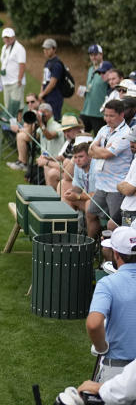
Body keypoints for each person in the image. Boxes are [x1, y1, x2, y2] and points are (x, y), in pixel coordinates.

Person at [87, 226, 136, 383]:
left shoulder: (107, 284)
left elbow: (94, 324)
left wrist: (102, 347)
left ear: (116, 254)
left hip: (118, 372)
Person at [88, 99, 134, 234]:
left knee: (115, 224)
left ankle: (116, 252)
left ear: (122, 115)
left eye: (111, 116)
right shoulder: (104, 129)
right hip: (101, 185)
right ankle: (92, 247)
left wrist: (100, 150)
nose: (107, 119)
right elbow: (90, 150)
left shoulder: (126, 134)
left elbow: (107, 154)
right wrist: (100, 151)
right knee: (91, 213)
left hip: (116, 187)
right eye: (106, 115)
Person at [0, 28, 26, 117]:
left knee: (17, 106)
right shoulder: (4, 47)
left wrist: (19, 79)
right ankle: (11, 126)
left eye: (9, 37)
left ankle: (19, 125)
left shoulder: (19, 48)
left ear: (13, 37)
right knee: (8, 106)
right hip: (6, 81)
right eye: (5, 38)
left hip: (16, 82)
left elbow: (22, 64)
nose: (7, 39)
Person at [41, 38, 66, 121]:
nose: (45, 51)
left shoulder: (57, 64)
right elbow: (44, 80)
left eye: (48, 49)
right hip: (47, 97)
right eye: (44, 49)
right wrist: (42, 93)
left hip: (55, 97)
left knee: (54, 119)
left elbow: (52, 83)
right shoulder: (48, 62)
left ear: (54, 49)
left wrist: (43, 94)